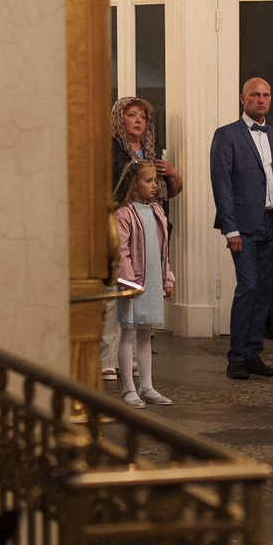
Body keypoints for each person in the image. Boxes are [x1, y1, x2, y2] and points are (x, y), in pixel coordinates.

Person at [208, 76, 273, 380]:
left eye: (266, 95)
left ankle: (254, 352)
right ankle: (237, 356)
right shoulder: (227, 135)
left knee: (265, 291)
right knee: (248, 286)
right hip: (242, 226)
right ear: (243, 99)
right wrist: (231, 230)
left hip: (271, 223)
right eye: (255, 94)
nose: (261, 99)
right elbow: (222, 185)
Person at [105, 96, 182, 382]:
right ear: (119, 119)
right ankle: (108, 358)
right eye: (131, 115)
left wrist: (172, 174)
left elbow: (166, 190)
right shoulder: (111, 150)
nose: (138, 120)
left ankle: (135, 359)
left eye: (143, 116)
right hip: (121, 223)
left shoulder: (150, 151)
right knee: (117, 294)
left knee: (144, 296)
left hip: (150, 224)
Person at [110, 161, 174, 407]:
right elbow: (121, 251)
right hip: (133, 282)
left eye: (155, 181)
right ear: (133, 184)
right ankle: (128, 388)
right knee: (129, 332)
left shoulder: (157, 212)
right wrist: (129, 282)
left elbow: (163, 251)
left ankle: (147, 386)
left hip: (153, 280)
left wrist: (166, 278)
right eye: (148, 181)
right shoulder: (123, 214)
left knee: (146, 332)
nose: (154, 186)